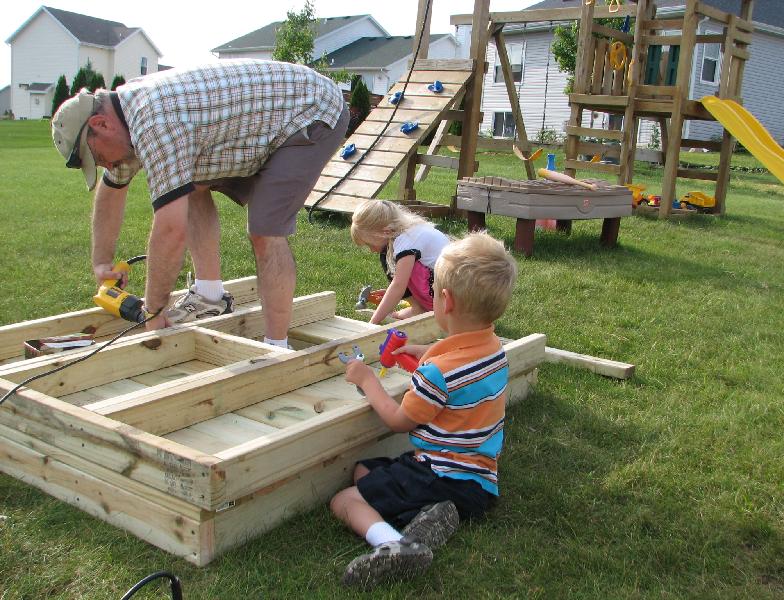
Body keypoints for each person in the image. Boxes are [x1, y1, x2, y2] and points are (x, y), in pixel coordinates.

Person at [51, 59, 348, 348]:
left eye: (97, 157)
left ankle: (277, 345)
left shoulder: (154, 122)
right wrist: (102, 262)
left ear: (101, 124)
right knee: (187, 185)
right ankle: (210, 297)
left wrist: (153, 311)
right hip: (263, 118)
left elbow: (171, 231)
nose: (106, 165)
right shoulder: (125, 117)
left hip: (311, 111)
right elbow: (111, 190)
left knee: (265, 229)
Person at [331, 232, 518, 587]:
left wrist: (368, 380)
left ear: (445, 301)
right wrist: (424, 353)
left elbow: (399, 420)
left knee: (345, 499)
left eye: (432, 290)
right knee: (363, 470)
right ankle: (430, 515)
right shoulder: (493, 348)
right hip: (480, 482)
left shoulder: (438, 374)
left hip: (441, 474)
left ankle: (395, 544)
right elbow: (457, 369)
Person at [350, 200, 450, 325]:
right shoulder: (411, 230)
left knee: (388, 258)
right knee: (393, 259)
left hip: (446, 297)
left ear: (386, 232)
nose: (372, 250)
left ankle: (423, 310)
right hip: (448, 291)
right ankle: (419, 308)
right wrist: (389, 293)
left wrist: (372, 324)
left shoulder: (406, 242)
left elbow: (398, 286)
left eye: (370, 244)